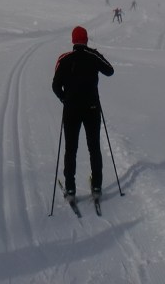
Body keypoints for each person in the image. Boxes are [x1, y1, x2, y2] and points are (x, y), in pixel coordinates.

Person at [52, 26, 114, 201]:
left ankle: (70, 189)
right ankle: (96, 187)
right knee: (94, 147)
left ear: (73, 40)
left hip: (71, 109)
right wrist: (95, 54)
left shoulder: (64, 59)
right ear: (86, 40)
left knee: (71, 149)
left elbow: (55, 86)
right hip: (92, 108)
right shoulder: (92, 57)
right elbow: (110, 70)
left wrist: (65, 99)